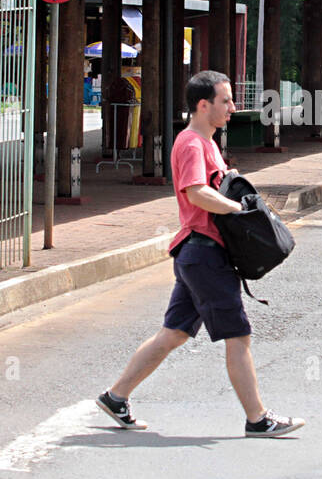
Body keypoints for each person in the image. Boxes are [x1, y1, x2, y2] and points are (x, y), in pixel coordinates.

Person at [97, 70, 305, 438]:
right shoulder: (192, 143)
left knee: (173, 334)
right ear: (203, 104)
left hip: (197, 253)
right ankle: (257, 419)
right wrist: (238, 209)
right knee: (237, 336)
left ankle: (116, 397)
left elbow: (207, 186)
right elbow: (196, 193)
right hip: (205, 255)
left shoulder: (207, 142)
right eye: (225, 101)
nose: (232, 107)